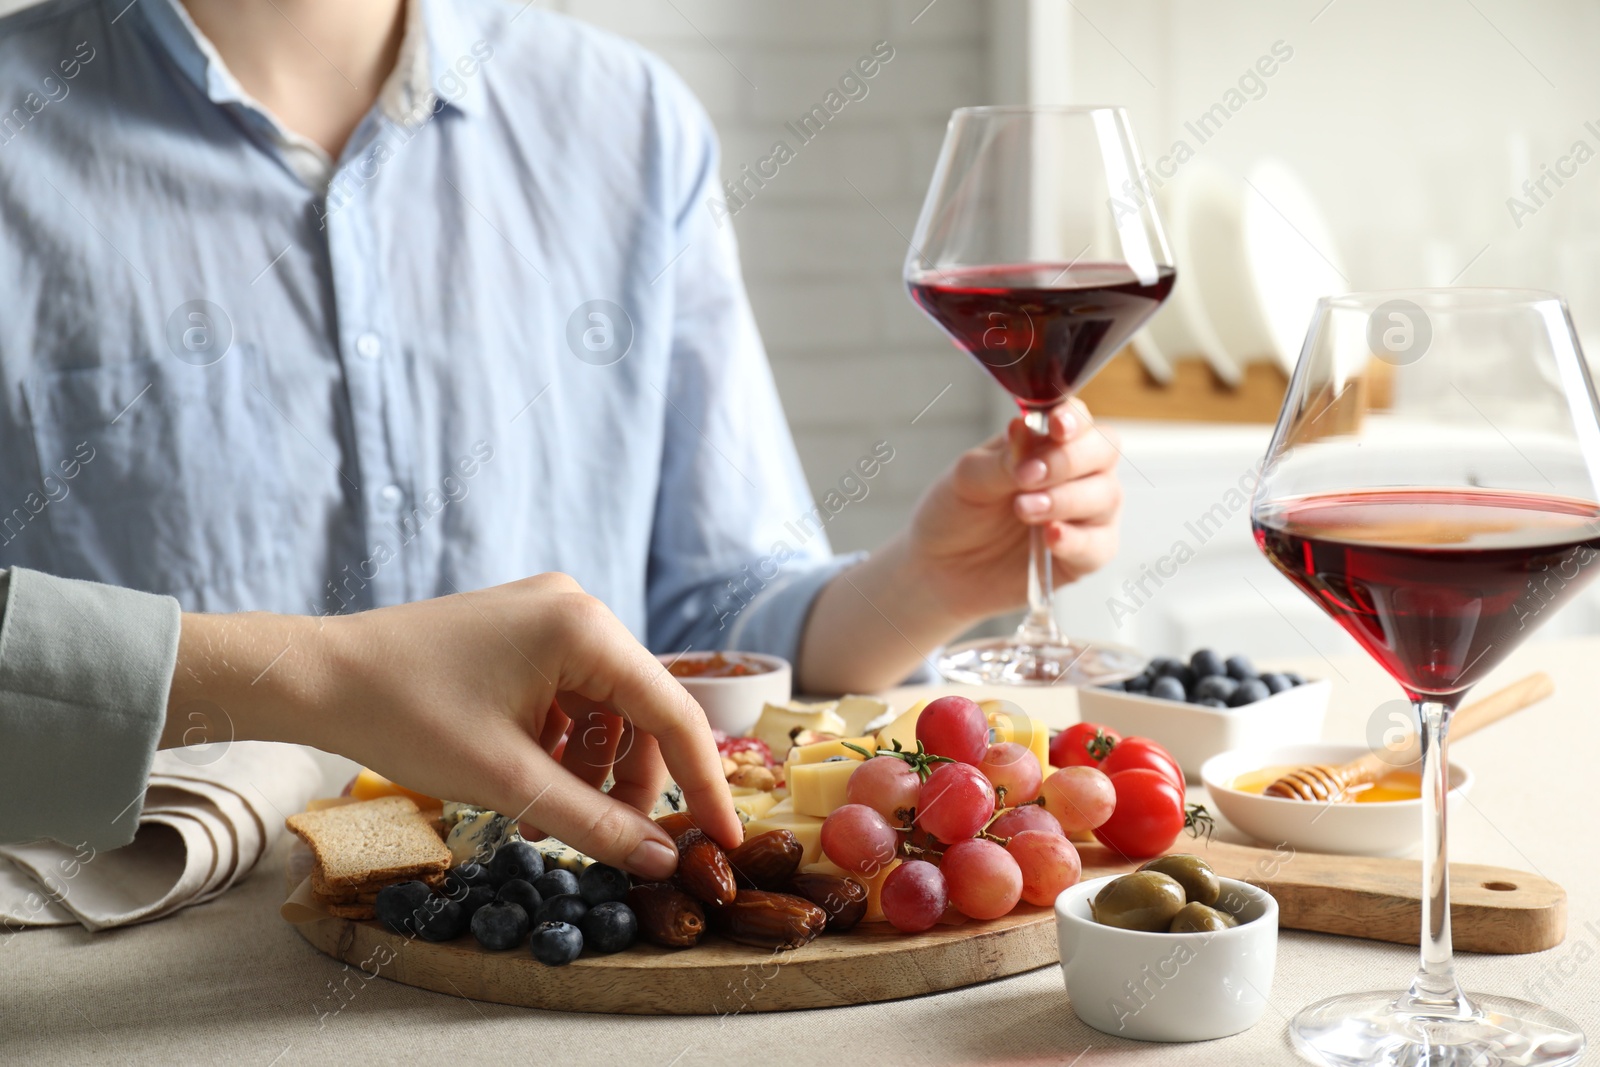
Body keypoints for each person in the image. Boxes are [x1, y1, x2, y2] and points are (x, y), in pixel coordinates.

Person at [0, 0, 1122, 869]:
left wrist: (921, 582)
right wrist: (317, 676)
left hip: (567, 945)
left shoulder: (628, 122)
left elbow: (705, 624)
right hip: (142, 972)